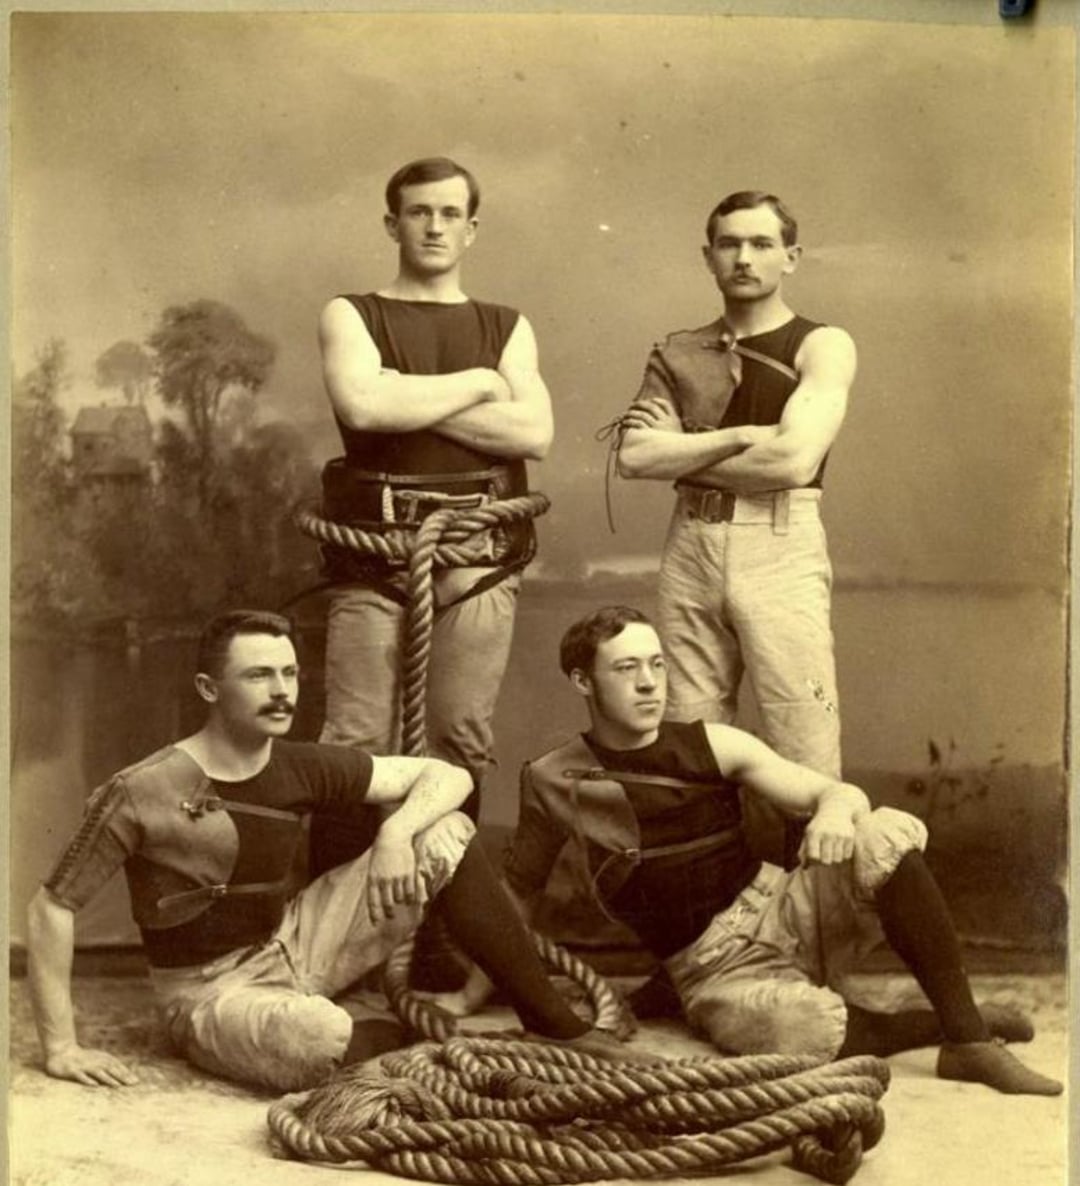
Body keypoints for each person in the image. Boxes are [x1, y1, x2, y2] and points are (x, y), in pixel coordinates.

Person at [25, 610, 637, 1094]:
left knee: (442, 831)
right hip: (207, 993)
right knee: (318, 1037)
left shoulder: (299, 763)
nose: (282, 691)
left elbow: (448, 777)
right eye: (259, 675)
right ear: (210, 688)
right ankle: (406, 1042)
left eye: (290, 674)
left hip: (295, 940)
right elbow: (52, 905)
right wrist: (60, 1046)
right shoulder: (141, 788)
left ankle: (552, 1022)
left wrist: (397, 834)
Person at [456, 606, 1060, 1096]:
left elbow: (836, 791)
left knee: (882, 832)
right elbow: (516, 897)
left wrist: (831, 809)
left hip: (787, 906)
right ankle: (949, 1022)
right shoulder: (552, 778)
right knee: (799, 1033)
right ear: (583, 681)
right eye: (626, 669)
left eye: (658, 665)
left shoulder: (713, 743)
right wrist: (469, 993)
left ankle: (969, 1041)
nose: (649, 683)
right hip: (712, 966)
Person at [313, 156, 553, 843]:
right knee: (357, 738)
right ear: (392, 223)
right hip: (375, 550)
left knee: (461, 738)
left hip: (481, 552)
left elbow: (533, 432)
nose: (435, 226)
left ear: (472, 229)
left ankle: (444, 926)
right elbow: (360, 407)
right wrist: (481, 385)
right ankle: (341, 925)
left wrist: (404, 395)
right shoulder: (351, 313)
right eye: (419, 212)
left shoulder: (506, 326)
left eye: (451, 213)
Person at [616, 191, 853, 866]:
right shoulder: (682, 351)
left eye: (761, 244)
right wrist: (746, 435)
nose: (744, 257)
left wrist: (688, 453)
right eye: (729, 244)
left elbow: (795, 459)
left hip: (779, 544)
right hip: (690, 547)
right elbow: (633, 456)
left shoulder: (821, 343)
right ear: (709, 256)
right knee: (689, 745)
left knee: (804, 749)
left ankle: (811, 948)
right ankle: (711, 949)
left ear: (791, 257)